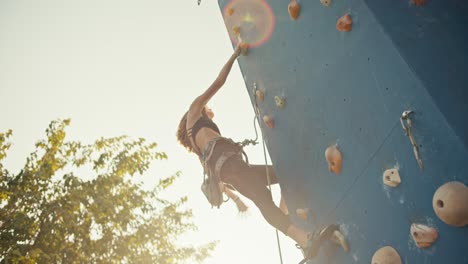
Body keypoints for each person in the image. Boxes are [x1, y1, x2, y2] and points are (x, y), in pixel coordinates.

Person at [176, 43, 340, 260]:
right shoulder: (194, 111)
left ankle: (291, 223)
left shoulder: (200, 151)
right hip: (232, 166)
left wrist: (236, 201)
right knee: (264, 198)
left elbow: (218, 182)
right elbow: (219, 82)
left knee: (282, 175)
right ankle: (303, 238)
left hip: (233, 170)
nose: (210, 112)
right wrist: (234, 55)